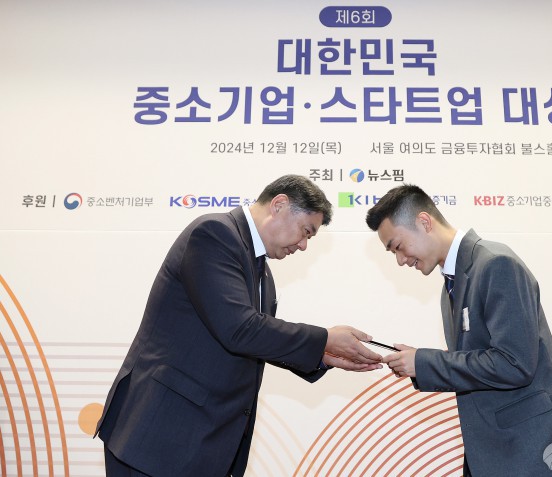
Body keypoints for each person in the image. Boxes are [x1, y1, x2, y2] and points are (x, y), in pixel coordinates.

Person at [96, 175, 383, 477]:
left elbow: (255, 339)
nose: (303, 246)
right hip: (160, 436)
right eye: (305, 231)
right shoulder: (215, 234)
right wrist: (323, 339)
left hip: (202, 444)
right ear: (279, 205)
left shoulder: (263, 273)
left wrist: (322, 355)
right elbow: (240, 330)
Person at [365, 184, 552, 477]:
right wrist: (417, 362)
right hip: (495, 451)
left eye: (398, 247)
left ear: (424, 222)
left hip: (533, 451)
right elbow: (479, 362)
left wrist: (423, 363)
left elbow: (513, 363)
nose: (400, 260)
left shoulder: (496, 263)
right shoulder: (452, 284)